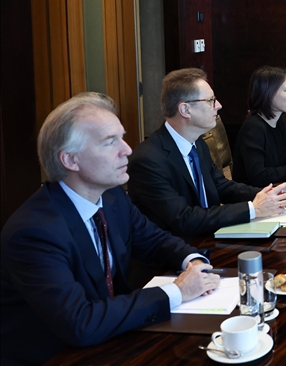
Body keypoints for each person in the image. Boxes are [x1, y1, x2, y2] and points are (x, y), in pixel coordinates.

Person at [0, 93, 221, 365]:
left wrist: (193, 261)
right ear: (70, 160)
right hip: (58, 356)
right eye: (109, 142)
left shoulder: (113, 195)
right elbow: (80, 322)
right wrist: (178, 291)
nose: (127, 149)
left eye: (122, 137)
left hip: (112, 340)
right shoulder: (33, 233)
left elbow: (153, 240)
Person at [128, 69, 286, 242]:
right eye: (210, 101)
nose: (219, 105)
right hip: (176, 250)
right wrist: (253, 209)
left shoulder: (198, 143)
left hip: (209, 237)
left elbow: (221, 186)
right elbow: (184, 219)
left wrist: (268, 194)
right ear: (185, 109)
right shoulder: (148, 160)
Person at [233, 67, 286, 187]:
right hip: (256, 194)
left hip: (275, 188)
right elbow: (259, 176)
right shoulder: (254, 128)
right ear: (269, 93)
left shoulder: (278, 122)